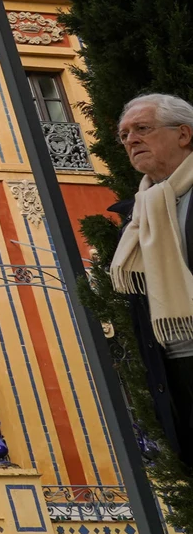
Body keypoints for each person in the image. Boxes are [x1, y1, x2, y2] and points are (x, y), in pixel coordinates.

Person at [108, 93, 193, 461]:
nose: (131, 141)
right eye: (124, 135)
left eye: (142, 129)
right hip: (177, 373)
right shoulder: (139, 214)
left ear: (184, 134)